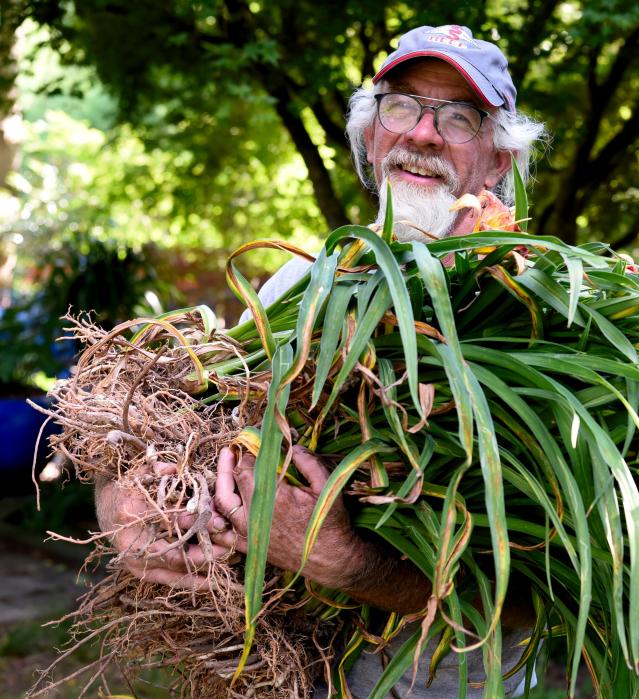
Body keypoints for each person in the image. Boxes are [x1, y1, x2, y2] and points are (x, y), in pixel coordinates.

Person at [95, 24, 548, 697]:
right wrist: (124, 506)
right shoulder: (297, 287)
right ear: (372, 137)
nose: (423, 135)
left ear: (498, 161)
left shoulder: (539, 320)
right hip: (295, 675)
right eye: (402, 107)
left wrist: (346, 562)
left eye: (460, 118)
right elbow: (183, 423)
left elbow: (551, 600)